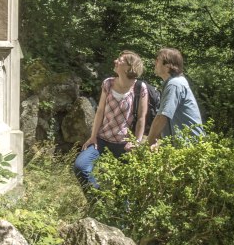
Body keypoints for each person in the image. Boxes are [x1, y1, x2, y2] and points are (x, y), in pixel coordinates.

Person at [74, 50, 148, 190]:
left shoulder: (140, 88)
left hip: (125, 144)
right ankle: (97, 200)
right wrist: (93, 137)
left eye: (120, 60)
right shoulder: (108, 83)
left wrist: (136, 143)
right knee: (80, 166)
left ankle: (122, 212)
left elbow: (141, 118)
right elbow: (100, 111)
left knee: (124, 185)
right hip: (102, 139)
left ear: (129, 67)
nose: (115, 61)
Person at [147, 47, 204, 149]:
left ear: (168, 65)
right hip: (184, 145)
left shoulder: (174, 84)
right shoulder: (173, 83)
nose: (154, 63)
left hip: (189, 147)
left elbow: (162, 117)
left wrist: (147, 144)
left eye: (158, 60)